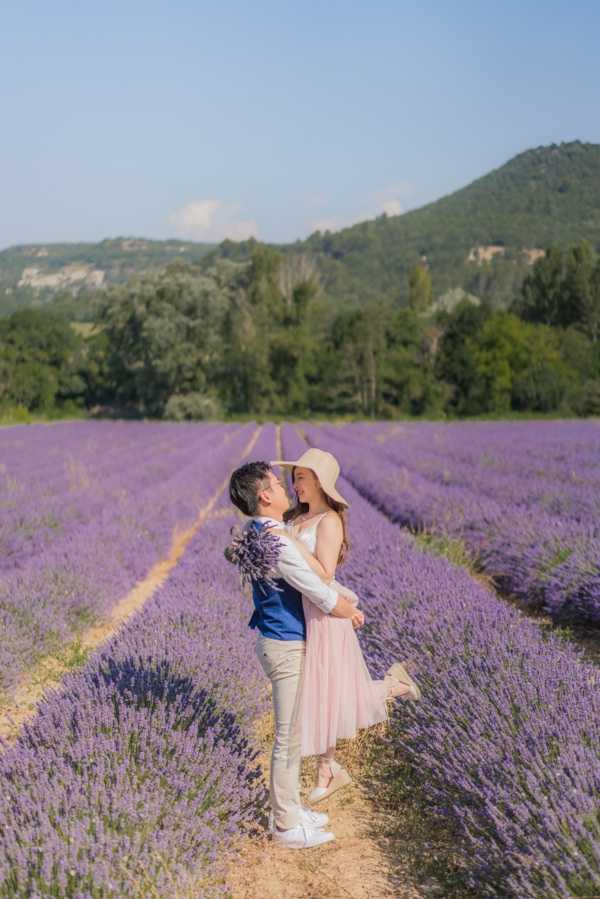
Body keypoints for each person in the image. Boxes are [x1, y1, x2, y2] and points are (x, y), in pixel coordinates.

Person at [269, 447, 421, 803]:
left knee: (330, 693)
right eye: (294, 479)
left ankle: (393, 687)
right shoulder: (296, 519)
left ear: (320, 482)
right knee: (326, 692)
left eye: (302, 478)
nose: (295, 485)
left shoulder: (329, 522)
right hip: (304, 611)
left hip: (324, 613)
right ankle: (329, 769)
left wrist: (290, 541)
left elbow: (324, 573)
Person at [228, 460, 363, 850]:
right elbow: (314, 588)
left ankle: (292, 808)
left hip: (277, 641)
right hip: (286, 645)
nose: (286, 486)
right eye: (276, 483)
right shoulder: (276, 539)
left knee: (292, 734)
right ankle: (286, 825)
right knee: (287, 739)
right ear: (265, 496)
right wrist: (347, 610)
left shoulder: (258, 530)